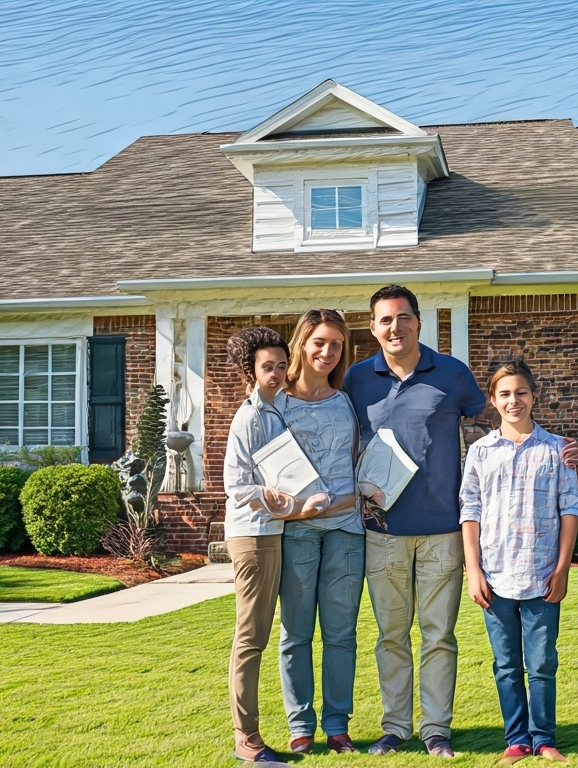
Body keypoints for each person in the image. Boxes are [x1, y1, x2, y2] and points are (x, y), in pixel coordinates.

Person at [341, 285, 486, 758]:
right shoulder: (357, 380)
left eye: (403, 318)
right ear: (373, 327)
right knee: (390, 636)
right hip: (382, 532)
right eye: (385, 320)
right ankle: (396, 727)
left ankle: (436, 729)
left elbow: (495, 422)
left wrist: (548, 444)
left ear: (419, 322)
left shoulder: (452, 374)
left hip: (443, 529)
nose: (395, 327)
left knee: (439, 635)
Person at [460, 358, 578, 765]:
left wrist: (562, 569)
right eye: (505, 394)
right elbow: (469, 512)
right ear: (493, 400)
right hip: (494, 577)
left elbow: (570, 510)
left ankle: (544, 738)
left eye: (522, 392)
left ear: (534, 396)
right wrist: (473, 570)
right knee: (507, 664)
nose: (515, 401)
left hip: (542, 575)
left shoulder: (556, 450)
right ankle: (516, 740)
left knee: (543, 663)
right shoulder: (479, 452)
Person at [221, 326, 321, 764]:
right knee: (251, 638)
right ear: (250, 369)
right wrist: (280, 500)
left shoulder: (276, 409)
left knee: (265, 635)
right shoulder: (248, 417)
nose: (278, 373)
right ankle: (247, 740)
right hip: (253, 536)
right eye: (268, 366)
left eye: (282, 365)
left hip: (274, 532)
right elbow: (237, 485)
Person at [276, 308, 366, 755]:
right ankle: (299, 727)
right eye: (319, 342)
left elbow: (359, 464)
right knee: (295, 633)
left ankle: (336, 726)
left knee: (340, 633)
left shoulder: (346, 400)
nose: (327, 352)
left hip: (347, 531)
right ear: (302, 343)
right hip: (296, 532)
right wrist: (295, 511)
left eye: (336, 344)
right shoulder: (277, 401)